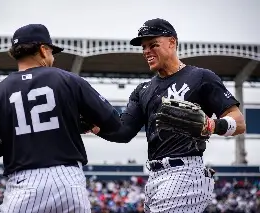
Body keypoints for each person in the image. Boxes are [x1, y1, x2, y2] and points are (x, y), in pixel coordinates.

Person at [91, 18, 246, 212]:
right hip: (155, 178)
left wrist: (212, 125)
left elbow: (239, 122)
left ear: (172, 42)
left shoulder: (201, 77)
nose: (147, 51)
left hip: (185, 171)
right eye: (144, 47)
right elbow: (123, 132)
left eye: (153, 45)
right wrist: (92, 126)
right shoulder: (143, 90)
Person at [0, 24, 122, 213]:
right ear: (42, 49)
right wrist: (72, 125)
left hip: (24, 184)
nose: (52, 57)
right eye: (51, 51)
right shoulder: (69, 80)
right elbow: (114, 122)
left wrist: (12, 140)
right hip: (68, 181)